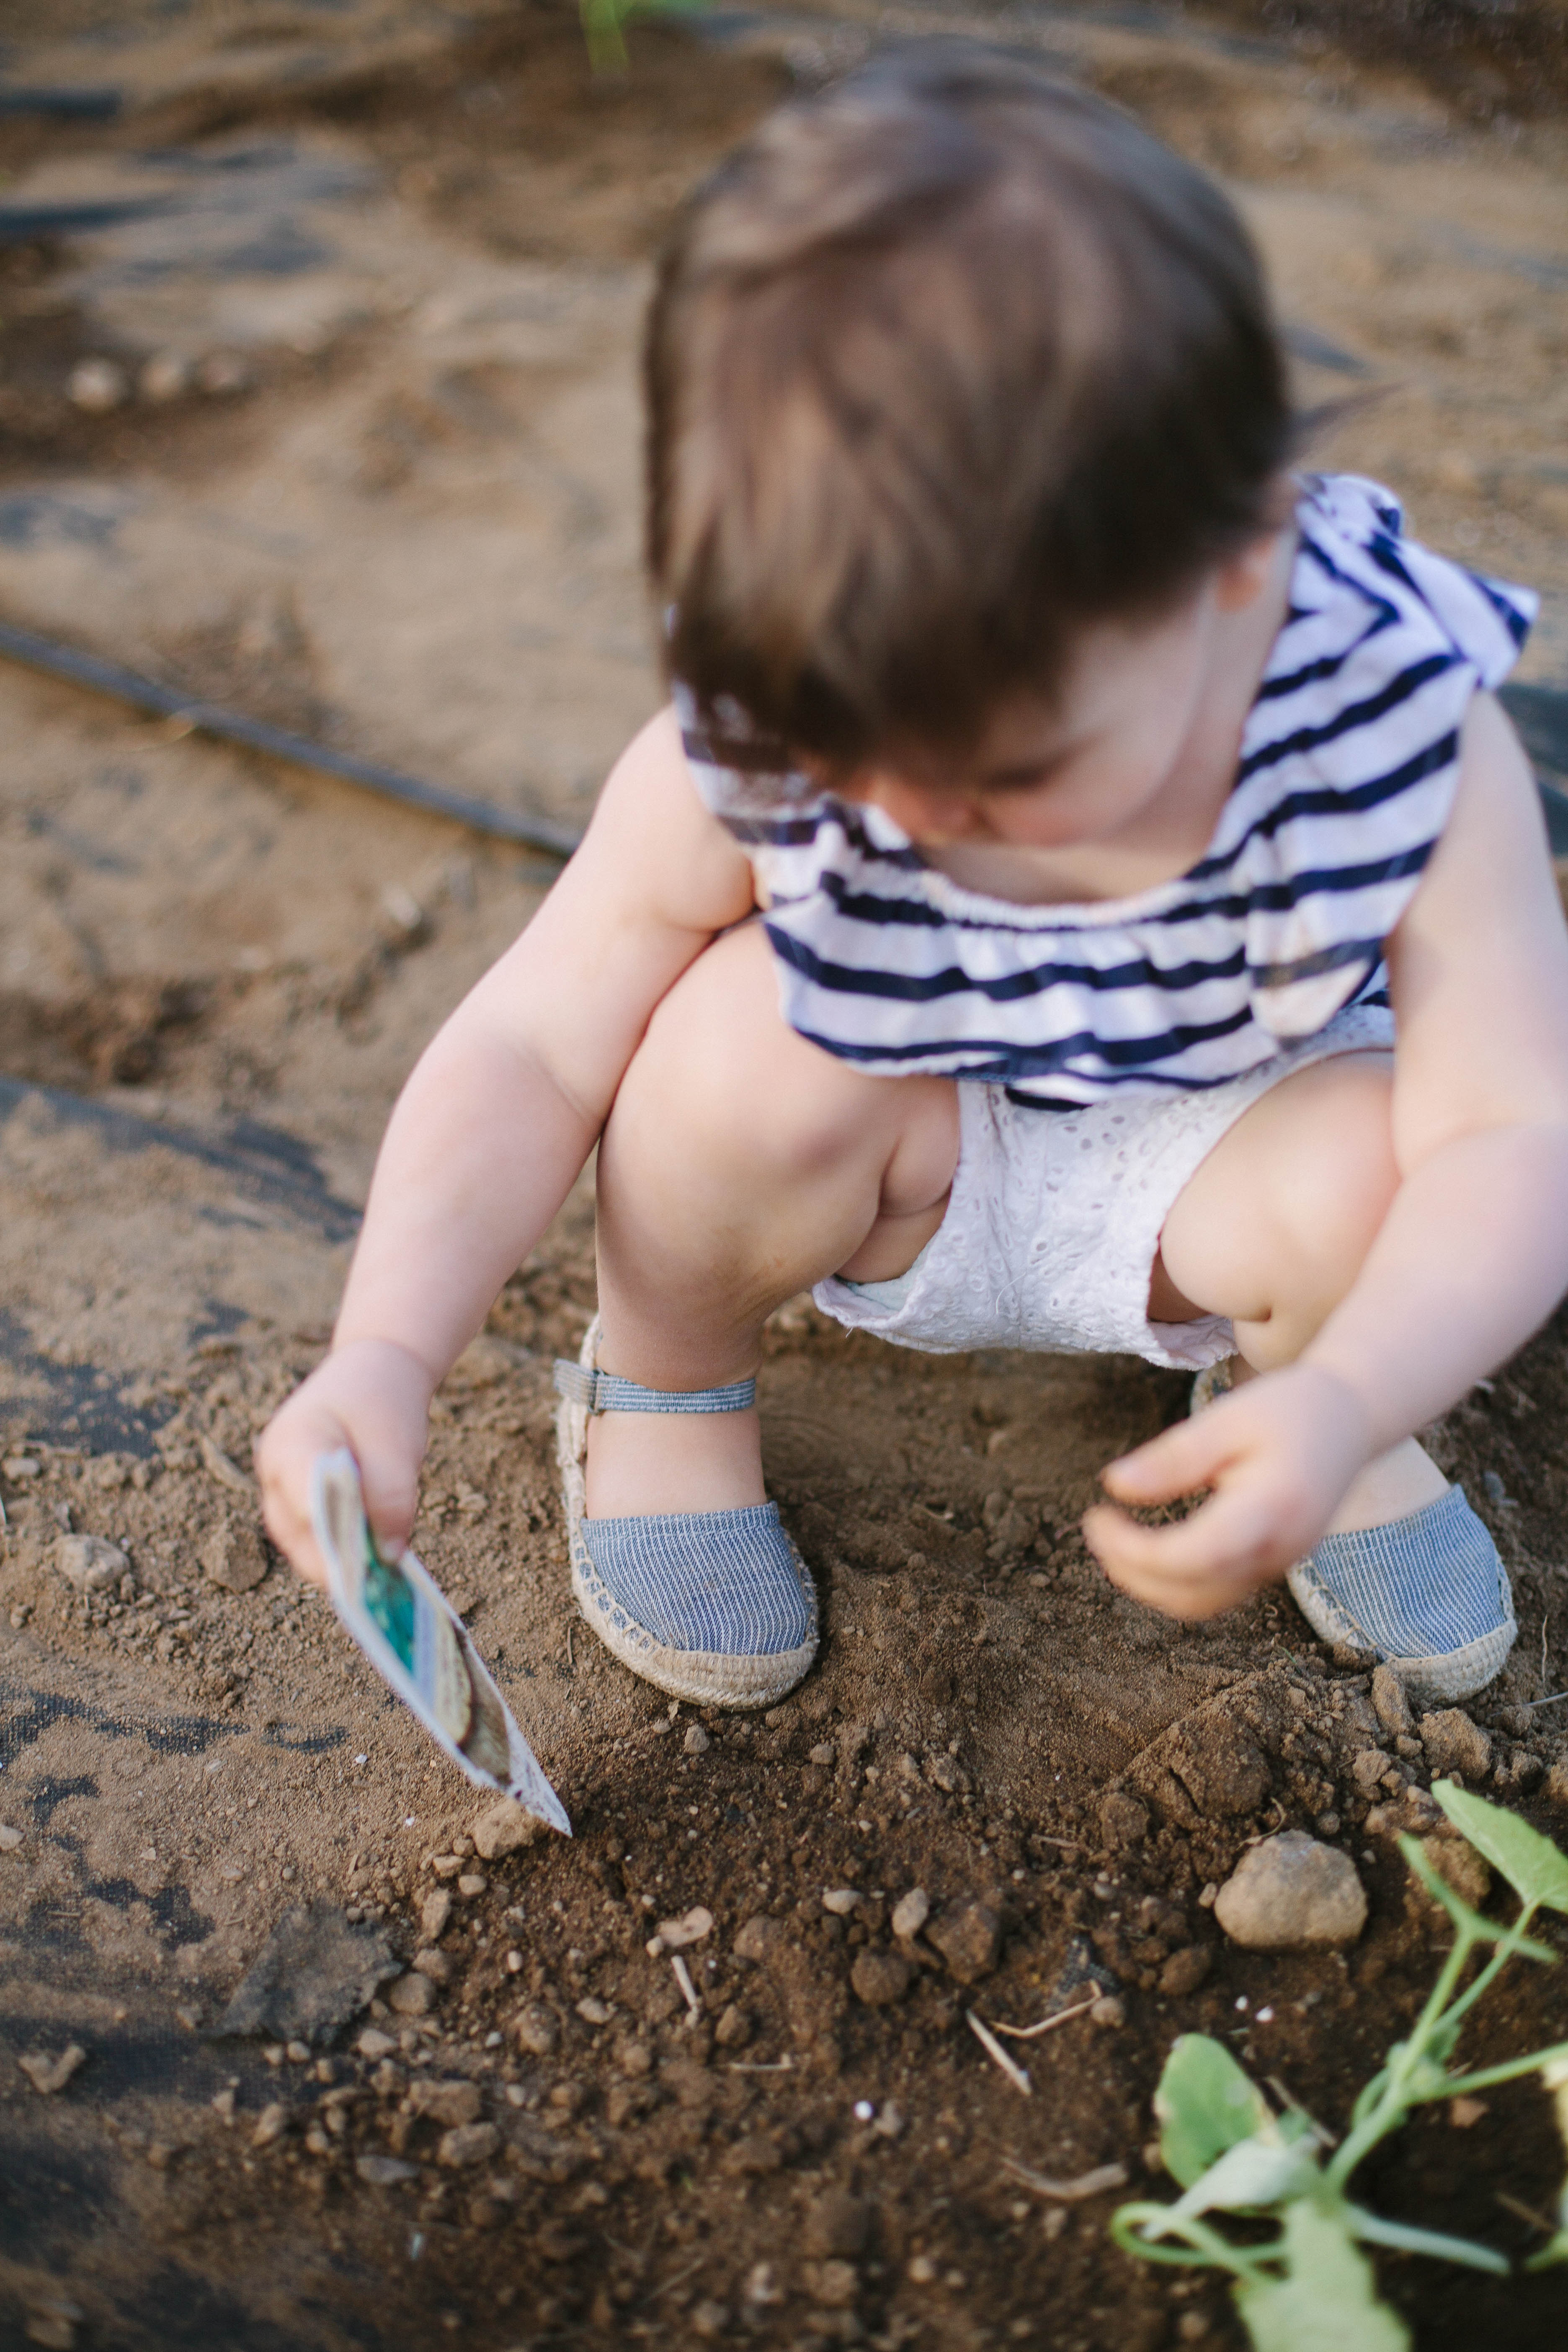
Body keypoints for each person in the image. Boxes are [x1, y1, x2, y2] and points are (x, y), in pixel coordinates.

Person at [258, 49, 1568, 1717]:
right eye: (844, 750)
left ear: (1236, 559)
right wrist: (388, 1347)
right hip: (896, 1144)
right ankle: (668, 1384)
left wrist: (1357, 1386)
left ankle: (1313, 1399)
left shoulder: (1400, 745)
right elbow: (534, 1038)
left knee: (1390, 1173)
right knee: (723, 1053)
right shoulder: (790, 733)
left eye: (1002, 775)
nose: (904, 821)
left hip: (1220, 1151)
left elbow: (1512, 1131)